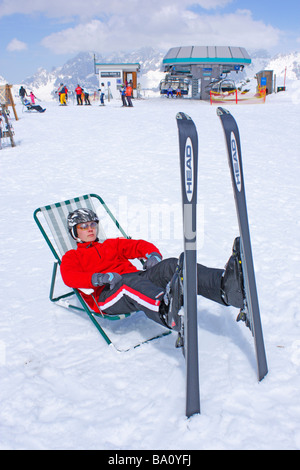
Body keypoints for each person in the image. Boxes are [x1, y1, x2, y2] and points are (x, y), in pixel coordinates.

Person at [60, 209, 245, 343]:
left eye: (92, 224)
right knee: (128, 283)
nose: (90, 229)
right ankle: (165, 311)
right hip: (106, 296)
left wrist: (152, 255)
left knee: (171, 265)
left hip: (136, 280)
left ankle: (223, 287)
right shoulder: (72, 256)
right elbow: (69, 276)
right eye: (83, 226)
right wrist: (98, 278)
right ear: (74, 232)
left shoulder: (110, 244)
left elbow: (138, 245)